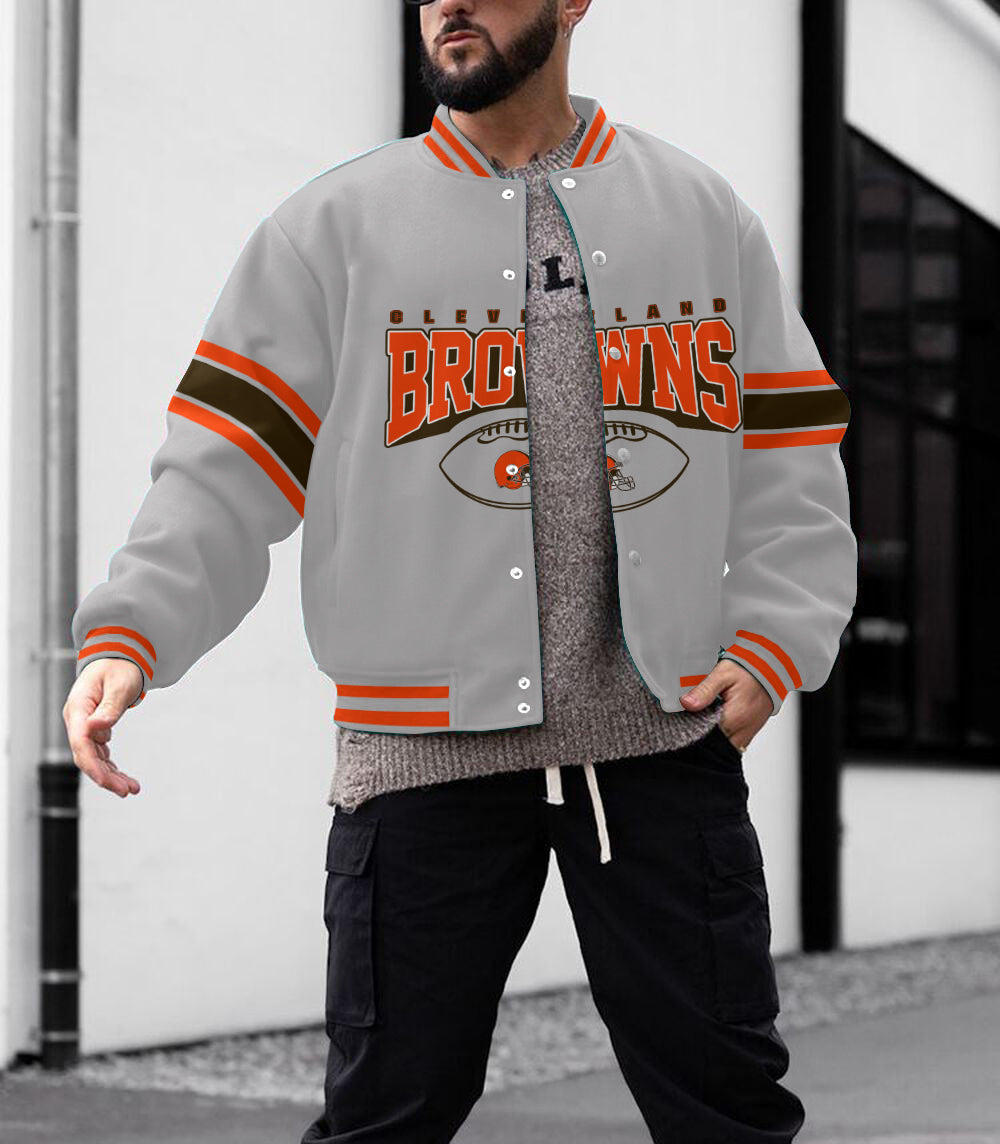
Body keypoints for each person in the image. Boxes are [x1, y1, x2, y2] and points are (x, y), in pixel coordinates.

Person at [64, 0, 857, 1139]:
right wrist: (131, 632)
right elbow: (224, 465)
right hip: (418, 759)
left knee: (729, 1116)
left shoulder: (701, 212)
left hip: (660, 747)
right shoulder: (330, 227)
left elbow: (790, 454)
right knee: (385, 1120)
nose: (449, 3)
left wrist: (775, 639)